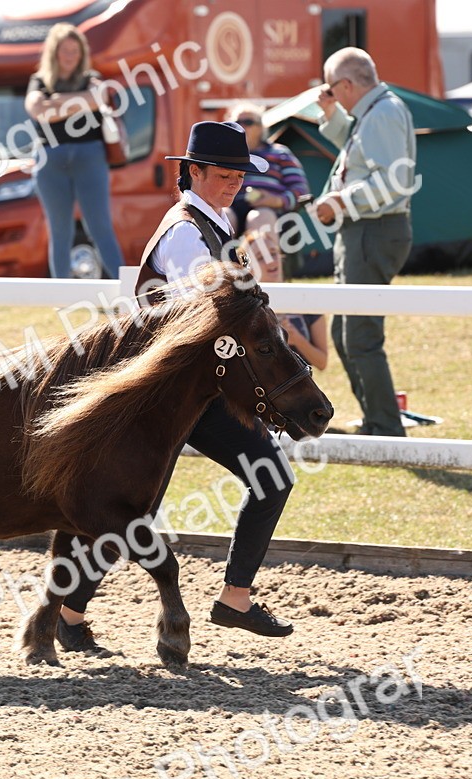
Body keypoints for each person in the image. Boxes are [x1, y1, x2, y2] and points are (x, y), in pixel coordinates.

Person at [55, 121, 298, 655]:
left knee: (267, 476)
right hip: (172, 394)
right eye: (224, 174)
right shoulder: (188, 232)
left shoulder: (211, 224)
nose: (234, 182)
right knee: (139, 508)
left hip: (194, 391)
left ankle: (229, 597)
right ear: (194, 173)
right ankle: (70, 616)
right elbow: (210, 318)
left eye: (239, 174)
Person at [313, 47, 416, 436]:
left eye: (332, 89)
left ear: (347, 84)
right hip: (364, 231)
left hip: (373, 230)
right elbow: (361, 150)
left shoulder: (384, 113)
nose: (332, 94)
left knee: (359, 336)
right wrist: (332, 116)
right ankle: (378, 421)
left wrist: (341, 201)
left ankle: (385, 429)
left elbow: (394, 181)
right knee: (347, 334)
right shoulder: (375, 112)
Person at [24, 23, 124, 280]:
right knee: (59, 230)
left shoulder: (92, 78)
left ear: (82, 54)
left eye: (75, 51)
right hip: (50, 161)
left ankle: (127, 291)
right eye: (65, 50)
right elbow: (37, 111)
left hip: (89, 157)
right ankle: (62, 294)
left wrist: (54, 103)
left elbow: (96, 98)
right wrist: (79, 103)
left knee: (100, 227)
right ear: (53, 53)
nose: (70, 56)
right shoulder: (38, 81)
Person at [222, 103, 310, 280]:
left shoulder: (280, 153)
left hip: (269, 210)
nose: (242, 126)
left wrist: (275, 200)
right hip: (232, 206)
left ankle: (267, 281)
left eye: (248, 121)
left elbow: (301, 192)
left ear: (262, 127)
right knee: (222, 218)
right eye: (237, 122)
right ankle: (223, 280)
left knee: (259, 217)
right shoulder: (224, 156)